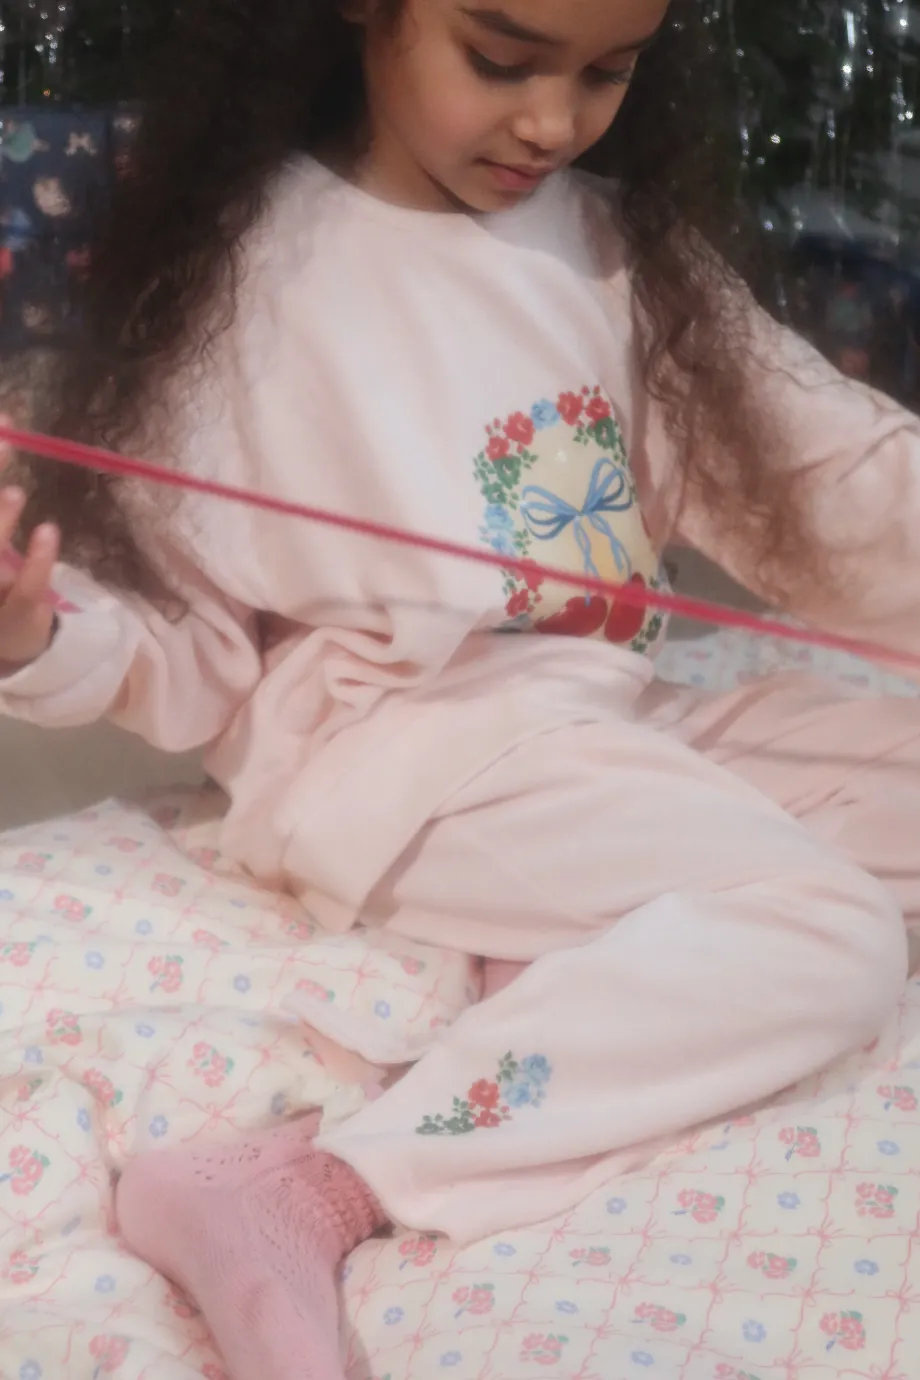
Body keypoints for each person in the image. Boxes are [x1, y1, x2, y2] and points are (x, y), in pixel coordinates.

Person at [0, 0, 919, 1376]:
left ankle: (568, 944)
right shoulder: (245, 274)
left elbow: (827, 480)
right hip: (402, 751)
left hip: (606, 715)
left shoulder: (617, 246)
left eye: (607, 72)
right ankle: (315, 1178)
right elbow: (178, 659)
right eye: (500, 60)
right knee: (831, 936)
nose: (551, 120)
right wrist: (34, 636)